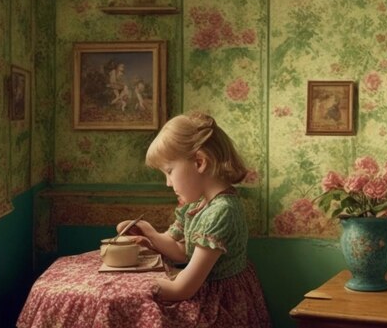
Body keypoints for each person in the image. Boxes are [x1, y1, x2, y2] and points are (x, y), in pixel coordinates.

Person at [116, 112, 271, 326]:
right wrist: (149, 233)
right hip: (200, 287)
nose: (168, 183)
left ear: (199, 162)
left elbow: (183, 288)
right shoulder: (197, 204)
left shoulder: (222, 212)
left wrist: (134, 285)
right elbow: (182, 250)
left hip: (221, 303)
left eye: (169, 172)